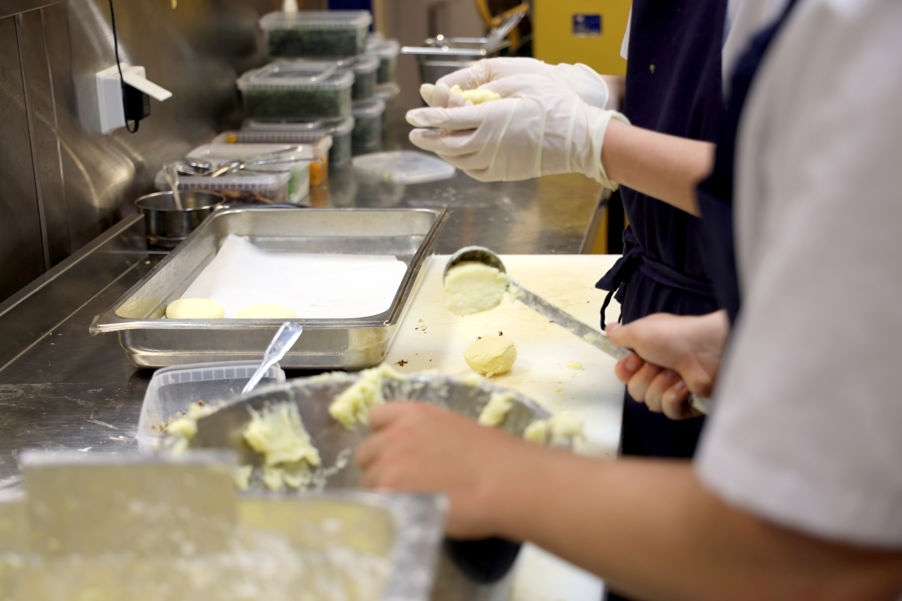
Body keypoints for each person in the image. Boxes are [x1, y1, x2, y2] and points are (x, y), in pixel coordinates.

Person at [357, 0, 902, 598]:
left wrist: (498, 477)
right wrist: (592, 95)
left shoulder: (865, 24)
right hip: (727, 327)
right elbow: (707, 104)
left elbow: (825, 554)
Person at [410, 2, 730, 473]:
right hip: (662, 323)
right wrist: (595, 94)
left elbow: (783, 191)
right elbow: (677, 96)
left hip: (736, 320)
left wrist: (593, 142)